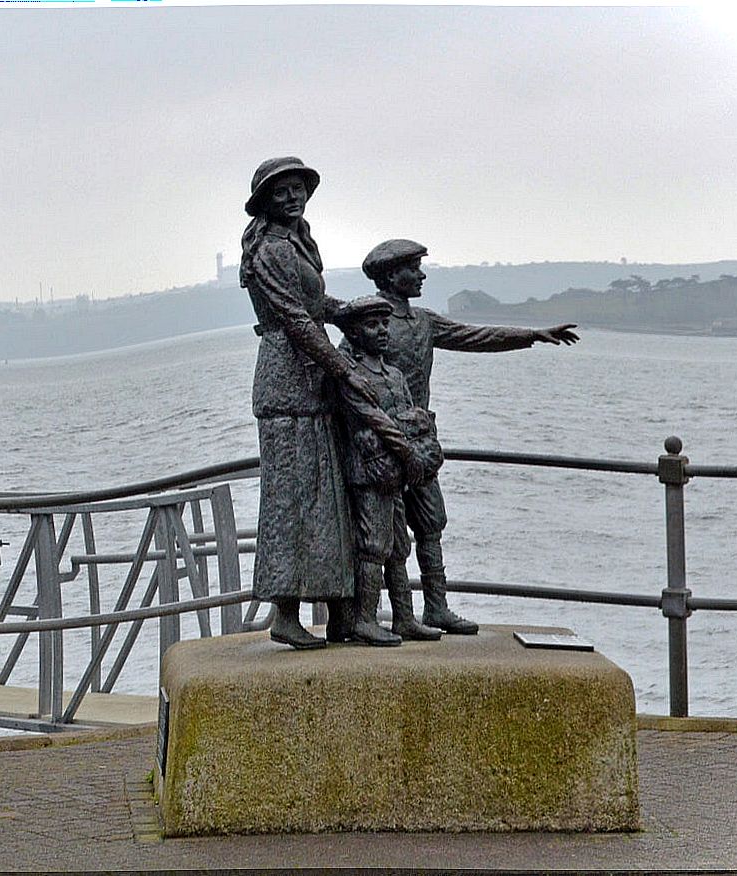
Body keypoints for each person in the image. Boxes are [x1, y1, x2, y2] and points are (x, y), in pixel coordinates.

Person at [240, 157, 417, 649]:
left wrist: (357, 314)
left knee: (327, 502)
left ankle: (345, 613)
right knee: (291, 501)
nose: (293, 198)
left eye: (298, 189)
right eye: (282, 192)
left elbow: (318, 309)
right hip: (286, 382)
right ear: (265, 202)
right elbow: (297, 321)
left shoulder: (299, 242)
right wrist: (345, 369)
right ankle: (285, 612)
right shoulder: (270, 251)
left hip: (312, 382)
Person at [364, 238, 580, 634]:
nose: (422, 274)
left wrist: (531, 335)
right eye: (414, 268)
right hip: (382, 444)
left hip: (421, 441)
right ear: (392, 275)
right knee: (391, 535)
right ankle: (403, 616)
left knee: (431, 523)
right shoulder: (371, 323)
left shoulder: (425, 322)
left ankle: (437, 608)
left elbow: (475, 336)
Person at [330, 296, 444, 644]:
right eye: (372, 325)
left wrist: (418, 451)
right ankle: (364, 618)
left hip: (396, 475)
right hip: (370, 473)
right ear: (354, 332)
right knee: (374, 545)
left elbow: (411, 417)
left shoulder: (394, 375)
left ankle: (404, 617)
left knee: (398, 545)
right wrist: (408, 451)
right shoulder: (352, 376)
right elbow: (371, 418)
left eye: (384, 324)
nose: (382, 331)